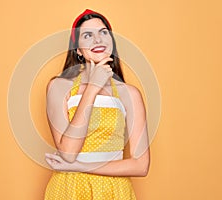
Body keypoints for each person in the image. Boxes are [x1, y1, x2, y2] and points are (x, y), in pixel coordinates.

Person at [44, 9, 150, 200]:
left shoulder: (130, 94)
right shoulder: (58, 87)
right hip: (70, 189)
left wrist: (81, 167)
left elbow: (141, 165)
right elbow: (68, 154)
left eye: (103, 33)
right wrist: (93, 87)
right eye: (87, 35)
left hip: (114, 191)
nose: (98, 39)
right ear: (77, 50)